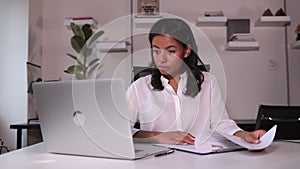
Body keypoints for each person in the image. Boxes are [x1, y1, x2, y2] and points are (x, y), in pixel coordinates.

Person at [126, 18, 265, 146]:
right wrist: (158, 136)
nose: (161, 59)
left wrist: (245, 135)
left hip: (200, 160)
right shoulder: (140, 87)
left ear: (186, 51)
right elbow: (121, 131)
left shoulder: (208, 82)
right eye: (156, 51)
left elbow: (222, 124)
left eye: (171, 51)